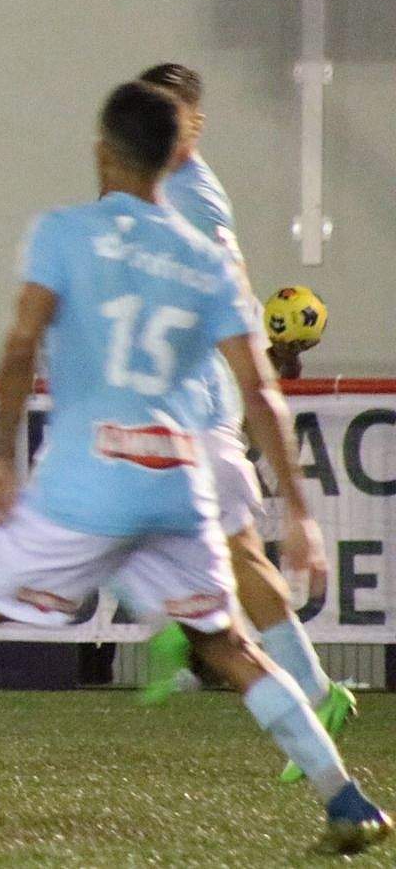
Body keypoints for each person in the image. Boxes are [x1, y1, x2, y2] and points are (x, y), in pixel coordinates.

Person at [0, 81, 388, 856]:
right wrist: (301, 514)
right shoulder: (209, 260)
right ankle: (345, 796)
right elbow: (260, 392)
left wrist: (3, 460)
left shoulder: (65, 233)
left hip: (88, 484)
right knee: (229, 645)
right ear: (178, 156)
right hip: (177, 481)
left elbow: (19, 344)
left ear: (103, 152)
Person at [131, 64, 356, 775]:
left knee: (233, 552)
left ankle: (309, 688)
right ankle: (189, 626)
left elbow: (227, 291)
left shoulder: (193, 198)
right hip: (174, 403)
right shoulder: (159, 185)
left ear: (194, 123)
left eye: (171, 115)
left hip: (197, 408)